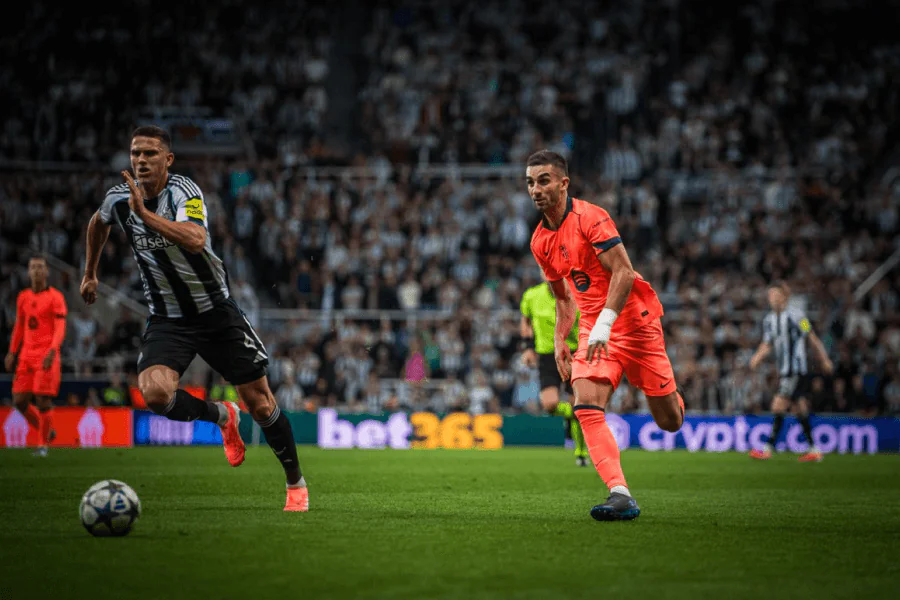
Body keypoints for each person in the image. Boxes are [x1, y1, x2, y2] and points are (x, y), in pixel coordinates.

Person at [80, 126, 307, 512]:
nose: (141, 161)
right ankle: (221, 416)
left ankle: (295, 483)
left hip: (215, 312)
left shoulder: (185, 192)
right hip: (168, 318)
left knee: (262, 404)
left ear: (168, 160)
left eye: (150, 154)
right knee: (153, 394)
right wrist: (90, 272)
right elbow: (97, 222)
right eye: (136, 153)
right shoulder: (119, 199)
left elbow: (196, 239)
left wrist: (144, 217)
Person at [526, 150, 685, 521]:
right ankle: (620, 492)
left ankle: (672, 396)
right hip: (594, 332)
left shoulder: (591, 217)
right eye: (531, 182)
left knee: (670, 422)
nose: (536, 189)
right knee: (585, 403)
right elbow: (563, 297)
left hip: (635, 323)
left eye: (544, 180)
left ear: (564, 183)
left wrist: (602, 324)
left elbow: (625, 274)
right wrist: (560, 344)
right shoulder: (539, 241)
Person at [749, 281, 834, 462]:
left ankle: (768, 448)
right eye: (770, 296)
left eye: (775, 295)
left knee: (777, 405)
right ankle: (814, 449)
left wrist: (824, 359)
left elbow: (811, 337)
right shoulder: (770, 320)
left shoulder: (797, 316)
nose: (772, 299)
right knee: (799, 409)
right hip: (785, 370)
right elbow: (767, 344)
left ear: (785, 297)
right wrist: (757, 357)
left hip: (796, 369)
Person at [520, 275, 589, 466]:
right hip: (547, 355)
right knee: (550, 405)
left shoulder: (575, 295)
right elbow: (525, 321)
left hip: (572, 353)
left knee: (577, 402)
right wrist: (527, 347)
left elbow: (586, 325)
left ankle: (581, 451)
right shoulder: (532, 295)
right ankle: (572, 414)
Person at [5, 256, 67, 457]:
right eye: (33, 267)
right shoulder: (23, 297)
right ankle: (46, 430)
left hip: (45, 355)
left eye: (40, 267)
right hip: (25, 356)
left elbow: (60, 327)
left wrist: (52, 350)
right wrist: (12, 352)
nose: (37, 271)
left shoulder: (55, 297)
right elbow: (19, 327)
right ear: (28, 272)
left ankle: (42, 445)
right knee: (19, 401)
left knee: (43, 401)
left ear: (47, 272)